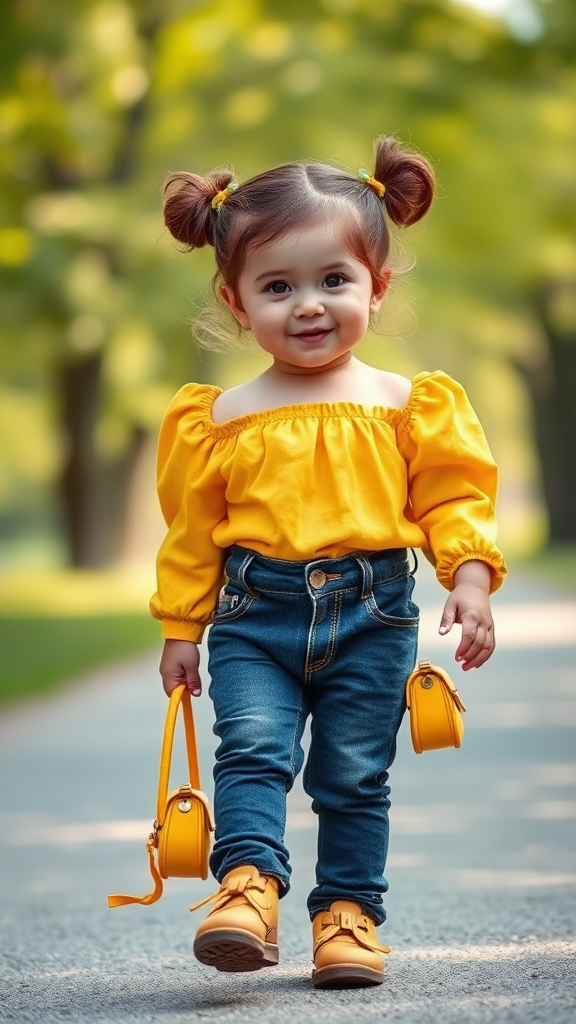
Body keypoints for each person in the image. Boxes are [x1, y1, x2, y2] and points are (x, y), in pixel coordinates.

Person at [150, 136, 506, 989]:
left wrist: (469, 576)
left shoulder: (406, 404)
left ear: (375, 289)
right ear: (237, 303)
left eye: (332, 281)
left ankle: (347, 916)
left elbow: (454, 497)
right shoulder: (221, 417)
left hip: (372, 616)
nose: (308, 305)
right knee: (253, 751)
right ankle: (247, 889)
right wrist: (179, 626)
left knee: (353, 774)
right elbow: (193, 533)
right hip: (253, 619)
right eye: (278, 287)